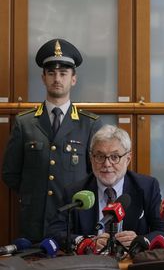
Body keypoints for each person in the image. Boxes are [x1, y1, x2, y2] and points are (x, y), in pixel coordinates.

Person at [2, 38, 102, 242]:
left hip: (73, 222)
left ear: (73, 79)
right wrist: (34, 195)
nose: (57, 78)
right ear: (43, 78)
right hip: (34, 221)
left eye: (63, 73)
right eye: (51, 73)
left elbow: (96, 176)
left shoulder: (89, 124)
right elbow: (10, 173)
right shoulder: (25, 122)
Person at [48, 125, 164, 251]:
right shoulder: (75, 192)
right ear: (91, 158)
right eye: (100, 156)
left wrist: (141, 240)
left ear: (128, 159)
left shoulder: (147, 187)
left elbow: (162, 231)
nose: (107, 164)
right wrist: (85, 241)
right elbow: (55, 232)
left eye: (115, 157)